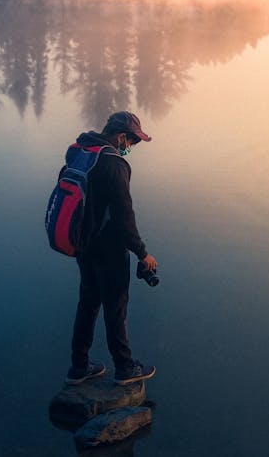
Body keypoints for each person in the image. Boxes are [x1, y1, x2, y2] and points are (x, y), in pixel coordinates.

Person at [64, 111, 158, 386]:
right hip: (109, 248)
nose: (130, 147)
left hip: (82, 241)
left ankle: (79, 367)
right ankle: (125, 368)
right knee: (116, 307)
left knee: (88, 302)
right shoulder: (115, 165)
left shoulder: (82, 149)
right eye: (131, 141)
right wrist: (143, 253)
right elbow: (124, 218)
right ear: (120, 136)